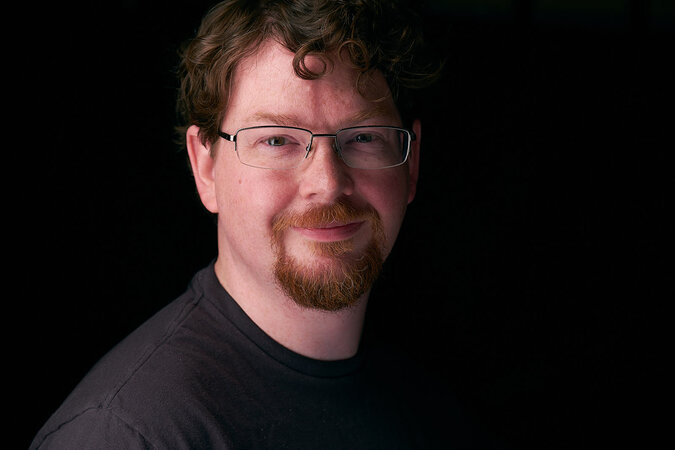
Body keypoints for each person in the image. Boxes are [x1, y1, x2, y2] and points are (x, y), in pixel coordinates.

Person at [31, 1, 488, 448]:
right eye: (276, 140)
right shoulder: (127, 434)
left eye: (364, 137)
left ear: (411, 164)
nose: (328, 184)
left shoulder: (433, 411)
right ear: (205, 168)